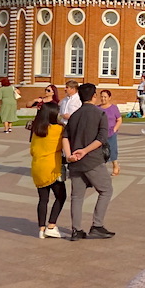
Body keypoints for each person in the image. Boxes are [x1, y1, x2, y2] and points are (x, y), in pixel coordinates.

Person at [62, 82, 114, 240]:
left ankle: (76, 230)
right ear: (94, 96)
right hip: (92, 160)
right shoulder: (100, 114)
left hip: (75, 161)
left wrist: (69, 155)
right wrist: (84, 151)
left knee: (77, 196)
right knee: (106, 190)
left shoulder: (74, 115)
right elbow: (102, 139)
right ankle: (97, 225)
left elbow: (64, 137)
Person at [29, 104, 67, 238]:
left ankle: (41, 229)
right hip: (52, 168)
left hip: (37, 167)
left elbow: (32, 150)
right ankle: (51, 225)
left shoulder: (37, 130)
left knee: (43, 199)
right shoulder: (58, 129)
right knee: (61, 196)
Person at [98, 88, 123, 176]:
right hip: (100, 133)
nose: (103, 99)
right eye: (101, 97)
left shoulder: (113, 108)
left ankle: (115, 165)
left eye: (105, 97)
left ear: (109, 98)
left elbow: (119, 119)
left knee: (112, 149)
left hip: (111, 133)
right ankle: (101, 169)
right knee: (100, 151)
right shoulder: (97, 108)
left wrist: (115, 129)